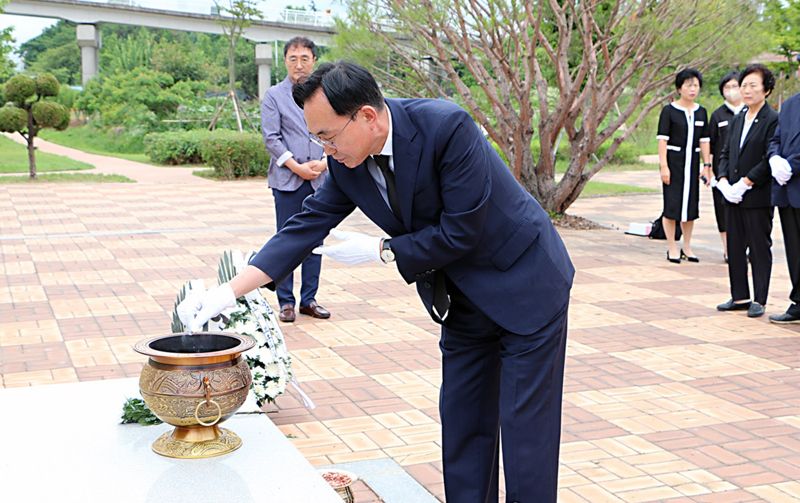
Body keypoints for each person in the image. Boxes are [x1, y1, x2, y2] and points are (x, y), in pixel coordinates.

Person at [178, 61, 574, 502]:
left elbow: (464, 230)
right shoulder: (349, 162)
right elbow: (304, 226)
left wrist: (381, 250)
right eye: (316, 138)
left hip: (525, 285)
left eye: (327, 135)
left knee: (526, 435)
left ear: (367, 116)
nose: (323, 149)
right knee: (464, 425)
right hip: (461, 301)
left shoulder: (447, 127)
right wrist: (229, 290)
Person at [261, 37, 330, 322]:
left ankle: (309, 299)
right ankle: (286, 301)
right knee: (287, 240)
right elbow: (271, 137)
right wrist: (296, 166)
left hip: (321, 178)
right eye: (293, 58)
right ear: (285, 61)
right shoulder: (274, 95)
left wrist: (326, 162)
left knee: (316, 239)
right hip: (288, 179)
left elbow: (336, 128)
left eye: (304, 58)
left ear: (314, 60)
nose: (299, 64)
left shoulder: (327, 93)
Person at [715, 64, 778, 318]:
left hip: (757, 195)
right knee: (735, 244)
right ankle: (739, 295)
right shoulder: (739, 116)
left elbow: (768, 158)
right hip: (732, 194)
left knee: (759, 247)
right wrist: (723, 180)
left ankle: (759, 299)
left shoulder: (772, 119)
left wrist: (746, 182)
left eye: (753, 85)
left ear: (767, 89)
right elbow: (726, 152)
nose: (747, 90)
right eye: (744, 85)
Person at [657, 68, 712, 263]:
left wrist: (707, 165)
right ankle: (672, 246)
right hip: (674, 163)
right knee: (672, 206)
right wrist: (664, 166)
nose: (692, 89)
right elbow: (662, 141)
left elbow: (704, 141)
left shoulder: (701, 112)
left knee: (690, 207)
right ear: (679, 88)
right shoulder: (669, 111)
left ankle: (687, 246)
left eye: (696, 85)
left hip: (692, 164)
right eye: (688, 85)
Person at [767, 58, 800, 324]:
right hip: (788, 189)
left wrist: (792, 164)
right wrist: (775, 159)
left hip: (795, 177)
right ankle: (798, 300)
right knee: (794, 248)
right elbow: (776, 138)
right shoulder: (789, 105)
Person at [709, 71, 744, 263]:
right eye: (727, 87)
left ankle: (744, 248)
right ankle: (728, 249)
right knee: (722, 212)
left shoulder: (748, 112)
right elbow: (710, 144)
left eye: (735, 86)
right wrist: (708, 169)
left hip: (744, 172)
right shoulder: (717, 115)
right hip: (721, 173)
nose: (732, 91)